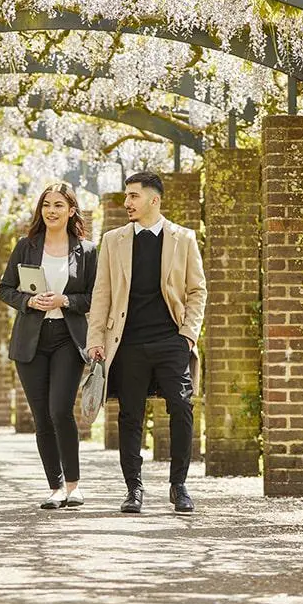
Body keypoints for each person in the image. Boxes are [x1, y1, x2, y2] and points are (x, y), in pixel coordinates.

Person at [87, 171, 206, 516]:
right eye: (126, 196)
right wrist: (96, 340)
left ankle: (179, 485)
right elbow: (102, 294)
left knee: (182, 406)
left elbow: (197, 290)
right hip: (127, 342)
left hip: (171, 339)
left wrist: (187, 334)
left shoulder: (183, 238)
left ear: (155, 199)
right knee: (129, 414)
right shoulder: (113, 240)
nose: (127, 203)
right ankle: (133, 489)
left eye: (134, 196)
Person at [0, 183, 98, 509]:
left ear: (71, 211)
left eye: (58, 205)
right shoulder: (26, 246)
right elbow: (5, 289)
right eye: (46, 205)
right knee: (41, 416)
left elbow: (95, 297)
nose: (51, 211)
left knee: (60, 410)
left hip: (68, 339)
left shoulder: (87, 250)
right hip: (31, 340)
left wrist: (64, 299)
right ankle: (54, 487)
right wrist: (30, 301)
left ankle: (74, 485)